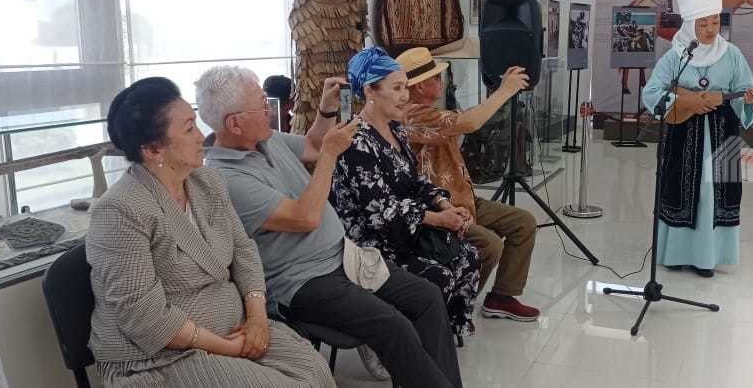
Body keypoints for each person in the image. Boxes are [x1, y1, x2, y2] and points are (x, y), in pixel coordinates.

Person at [198, 66, 463, 388]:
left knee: (427, 297)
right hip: (302, 280)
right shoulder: (227, 178)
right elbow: (305, 217)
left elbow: (312, 144)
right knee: (394, 326)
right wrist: (329, 155)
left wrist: (326, 110)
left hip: (343, 255)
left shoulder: (266, 141)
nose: (271, 110)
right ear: (234, 123)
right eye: (262, 106)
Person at [86, 77, 333, 387]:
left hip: (235, 327)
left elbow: (243, 251)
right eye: (189, 129)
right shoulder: (119, 210)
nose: (202, 137)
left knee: (316, 372)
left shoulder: (207, 182)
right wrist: (230, 348)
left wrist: (257, 317)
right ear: (153, 149)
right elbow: (143, 317)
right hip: (160, 356)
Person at [329, 47, 481, 340]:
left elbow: (416, 181)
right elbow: (380, 212)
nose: (405, 95)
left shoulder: (395, 130)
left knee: (469, 257)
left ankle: (440, 337)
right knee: (440, 275)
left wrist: (444, 204)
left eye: (406, 87)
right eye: (397, 88)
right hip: (373, 244)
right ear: (370, 91)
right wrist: (439, 220)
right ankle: (406, 341)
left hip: (406, 230)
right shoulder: (354, 141)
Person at [396, 47, 540, 322]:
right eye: (435, 78)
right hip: (442, 206)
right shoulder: (411, 115)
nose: (441, 82)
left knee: (523, 223)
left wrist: (500, 89)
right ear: (418, 86)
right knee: (490, 245)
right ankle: (455, 306)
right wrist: (504, 91)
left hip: (464, 197)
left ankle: (501, 296)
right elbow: (469, 122)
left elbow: (467, 120)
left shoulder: (429, 112)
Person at [641, 0, 753, 278]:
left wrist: (748, 100)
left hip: (722, 133)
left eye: (715, 22)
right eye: (703, 24)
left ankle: (707, 258)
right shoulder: (676, 56)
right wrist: (686, 101)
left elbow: (744, 88)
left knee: (713, 194)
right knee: (680, 191)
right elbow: (652, 93)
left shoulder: (732, 54)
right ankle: (676, 254)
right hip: (684, 134)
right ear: (690, 25)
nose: (710, 30)